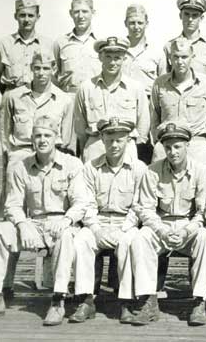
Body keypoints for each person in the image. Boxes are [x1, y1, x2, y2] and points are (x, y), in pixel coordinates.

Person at [0, 116, 83, 326]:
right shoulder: (21, 166)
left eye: (47, 135)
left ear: (57, 138)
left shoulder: (72, 164)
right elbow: (13, 204)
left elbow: (81, 203)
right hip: (32, 224)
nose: (42, 140)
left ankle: (58, 300)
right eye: (38, 136)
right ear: (32, 140)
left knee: (66, 236)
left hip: (61, 224)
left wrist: (65, 220)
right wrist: (23, 225)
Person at [129, 122, 206, 326]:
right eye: (168, 147)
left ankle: (199, 301)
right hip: (162, 225)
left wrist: (187, 231)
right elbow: (146, 209)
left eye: (177, 146)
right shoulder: (152, 171)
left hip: (188, 226)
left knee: (205, 238)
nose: (172, 152)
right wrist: (162, 231)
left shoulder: (201, 171)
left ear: (187, 146)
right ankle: (148, 300)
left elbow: (203, 212)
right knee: (140, 238)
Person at [67, 118, 147, 324]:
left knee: (129, 242)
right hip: (98, 223)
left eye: (120, 140)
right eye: (110, 139)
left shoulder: (139, 169)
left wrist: (124, 229)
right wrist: (96, 229)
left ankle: (125, 302)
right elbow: (86, 203)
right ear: (102, 139)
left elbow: (139, 206)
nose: (114, 145)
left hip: (125, 224)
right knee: (80, 241)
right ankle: (86, 300)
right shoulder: (90, 168)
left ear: (128, 140)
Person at [0, 50, 73, 217]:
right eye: (37, 68)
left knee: (46, 206)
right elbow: (5, 131)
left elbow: (65, 137)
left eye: (45, 68)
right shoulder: (13, 96)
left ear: (53, 69)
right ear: (31, 68)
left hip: (49, 157)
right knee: (13, 208)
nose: (41, 73)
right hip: (20, 155)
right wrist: (10, 156)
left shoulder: (64, 99)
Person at [73, 37, 150, 162]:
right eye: (108, 57)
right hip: (96, 147)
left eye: (117, 58)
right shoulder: (86, 88)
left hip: (126, 148)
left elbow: (143, 125)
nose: (112, 62)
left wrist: (132, 145)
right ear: (100, 57)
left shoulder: (135, 88)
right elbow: (80, 129)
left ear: (124, 59)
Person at [150, 38, 206, 165]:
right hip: (167, 144)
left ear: (192, 57)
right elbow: (154, 116)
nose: (180, 61)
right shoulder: (159, 83)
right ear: (170, 58)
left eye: (184, 57)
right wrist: (159, 141)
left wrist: (203, 141)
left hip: (196, 145)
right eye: (175, 57)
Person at [53, 0, 101, 154]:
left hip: (94, 101)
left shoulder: (100, 43)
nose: (81, 16)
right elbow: (54, 76)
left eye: (85, 11)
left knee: (93, 149)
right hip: (69, 101)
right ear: (71, 13)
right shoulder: (61, 43)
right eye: (77, 12)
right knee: (68, 149)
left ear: (93, 13)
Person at [121, 4, 162, 164]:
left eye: (139, 22)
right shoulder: (119, 50)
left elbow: (162, 84)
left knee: (147, 151)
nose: (136, 27)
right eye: (132, 23)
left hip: (149, 107)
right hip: (125, 106)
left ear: (146, 23)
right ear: (125, 23)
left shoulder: (157, 52)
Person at [0, 0, 52, 95]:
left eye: (30, 15)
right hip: (12, 100)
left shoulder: (48, 44)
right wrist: (9, 97)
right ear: (15, 16)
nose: (26, 19)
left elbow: (53, 76)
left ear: (37, 17)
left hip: (38, 101)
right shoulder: (4, 43)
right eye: (22, 15)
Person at [162, 0, 206, 84]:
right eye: (187, 14)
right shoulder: (169, 46)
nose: (190, 19)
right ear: (180, 15)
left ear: (201, 18)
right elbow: (166, 77)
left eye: (195, 15)